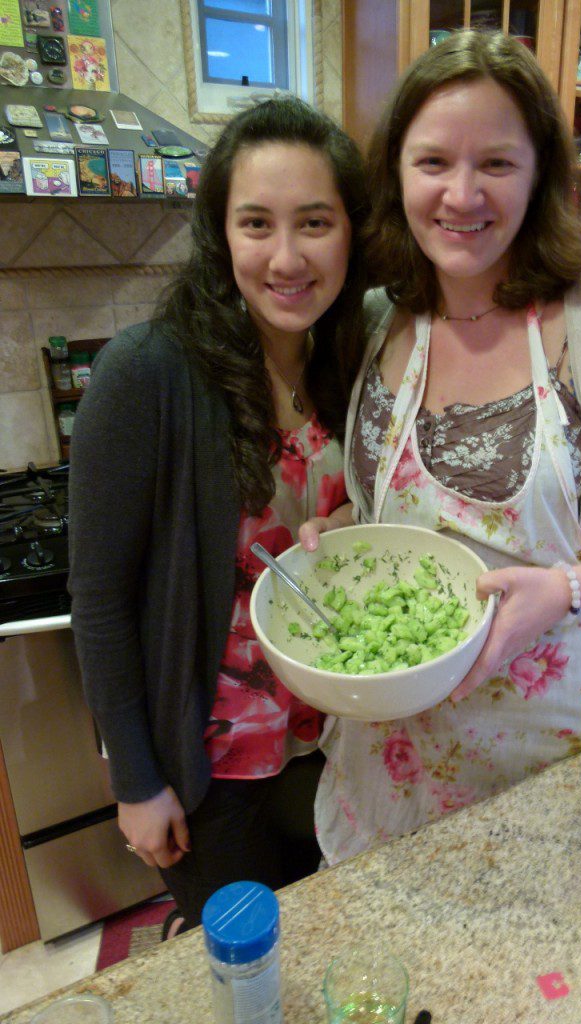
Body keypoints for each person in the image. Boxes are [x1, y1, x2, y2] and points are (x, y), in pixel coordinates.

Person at [301, 31, 581, 866]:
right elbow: (400, 500)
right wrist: (343, 534)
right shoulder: (383, 316)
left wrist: (566, 587)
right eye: (432, 163)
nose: (461, 196)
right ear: (396, 175)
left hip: (555, 754)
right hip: (391, 762)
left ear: (539, 178)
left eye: (496, 163)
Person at [68, 96, 369, 931]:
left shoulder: (359, 362)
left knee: (336, 941)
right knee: (252, 965)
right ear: (220, 234)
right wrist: (134, 779)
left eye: (314, 222)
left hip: (341, 750)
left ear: (350, 232)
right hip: (216, 772)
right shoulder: (147, 376)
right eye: (255, 224)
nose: (285, 257)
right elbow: (98, 599)